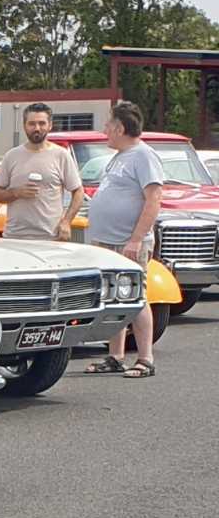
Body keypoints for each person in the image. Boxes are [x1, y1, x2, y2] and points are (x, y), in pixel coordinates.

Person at [84, 98, 165, 377]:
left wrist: (136, 239)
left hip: (128, 242)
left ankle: (145, 358)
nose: (104, 130)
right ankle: (115, 355)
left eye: (108, 124)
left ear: (120, 128)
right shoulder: (120, 157)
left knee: (136, 296)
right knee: (112, 297)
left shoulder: (143, 156)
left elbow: (153, 199)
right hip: (107, 241)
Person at [0, 102, 84, 240]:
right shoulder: (11, 156)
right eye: (32, 124)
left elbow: (78, 192)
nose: (37, 128)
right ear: (24, 126)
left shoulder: (61, 155)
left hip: (51, 237)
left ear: (50, 125)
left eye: (42, 123)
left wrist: (66, 222)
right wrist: (16, 193)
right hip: (15, 237)